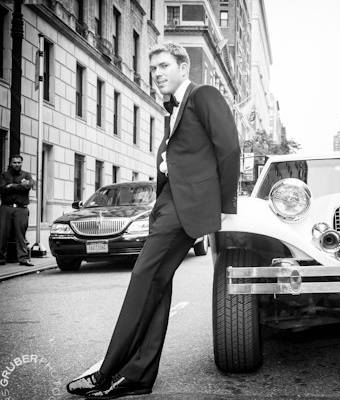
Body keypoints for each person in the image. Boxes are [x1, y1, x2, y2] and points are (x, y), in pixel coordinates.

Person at [66, 42, 240, 399]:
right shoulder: (170, 111)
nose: (157, 74)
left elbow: (230, 147)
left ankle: (107, 372)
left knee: (144, 279)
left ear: (182, 66)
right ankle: (138, 376)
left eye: (163, 66)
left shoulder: (203, 94)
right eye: (153, 69)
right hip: (167, 204)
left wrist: (224, 205)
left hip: (184, 207)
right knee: (157, 285)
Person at [0, 154, 34, 267]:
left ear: (21, 163)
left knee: (21, 235)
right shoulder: (4, 175)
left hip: (21, 209)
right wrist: (20, 185)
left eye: (19, 162)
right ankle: (1, 258)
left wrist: (12, 186)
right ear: (10, 163)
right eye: (14, 162)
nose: (17, 164)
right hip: (6, 208)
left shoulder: (27, 175)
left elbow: (29, 186)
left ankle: (23, 258)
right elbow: (2, 189)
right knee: (2, 234)